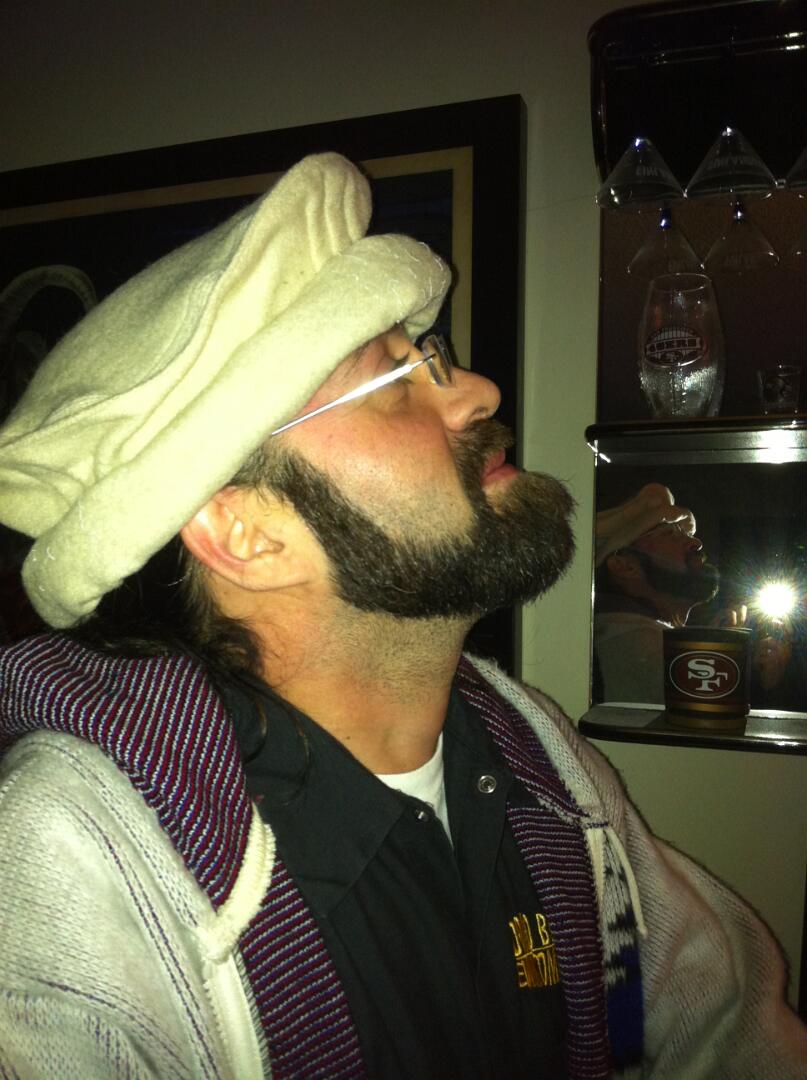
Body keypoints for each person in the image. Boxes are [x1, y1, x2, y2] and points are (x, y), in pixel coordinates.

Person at [0, 154, 804, 1080]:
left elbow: (722, 1027)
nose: (478, 391)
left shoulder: (533, 752)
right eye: (393, 381)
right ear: (246, 532)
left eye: (435, 360)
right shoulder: (68, 866)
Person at [593, 484, 720, 704]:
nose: (696, 542)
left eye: (686, 534)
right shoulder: (648, 649)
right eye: (670, 534)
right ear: (625, 567)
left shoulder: (622, 634)